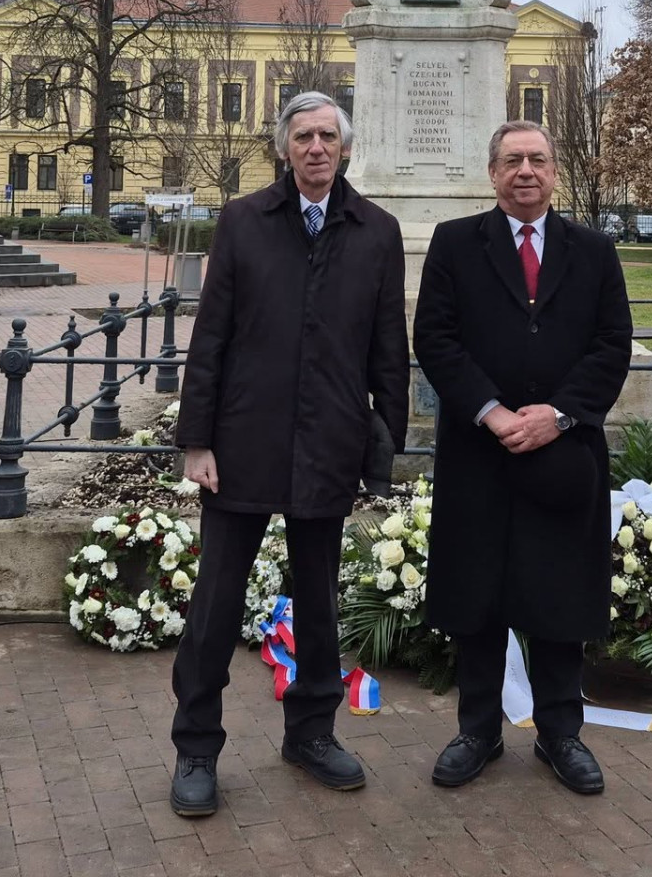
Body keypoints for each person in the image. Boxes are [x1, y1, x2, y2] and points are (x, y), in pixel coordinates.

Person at [168, 91, 409, 819]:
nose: (316, 147)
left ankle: (311, 733)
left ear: (345, 147)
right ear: (284, 148)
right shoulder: (244, 221)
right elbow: (211, 335)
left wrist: (382, 445)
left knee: (319, 603)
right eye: (303, 136)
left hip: (328, 441)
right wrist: (197, 440)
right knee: (215, 604)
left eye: (327, 136)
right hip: (244, 439)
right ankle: (196, 748)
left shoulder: (376, 230)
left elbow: (387, 349)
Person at [414, 120, 633, 796]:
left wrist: (557, 415)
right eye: (512, 160)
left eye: (538, 159)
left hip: (563, 454)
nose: (526, 171)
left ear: (555, 171)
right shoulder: (455, 243)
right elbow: (436, 337)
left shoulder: (592, 250)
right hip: (480, 453)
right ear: (493, 173)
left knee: (559, 594)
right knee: (478, 594)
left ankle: (560, 733)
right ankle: (477, 731)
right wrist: (494, 412)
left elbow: (612, 343)